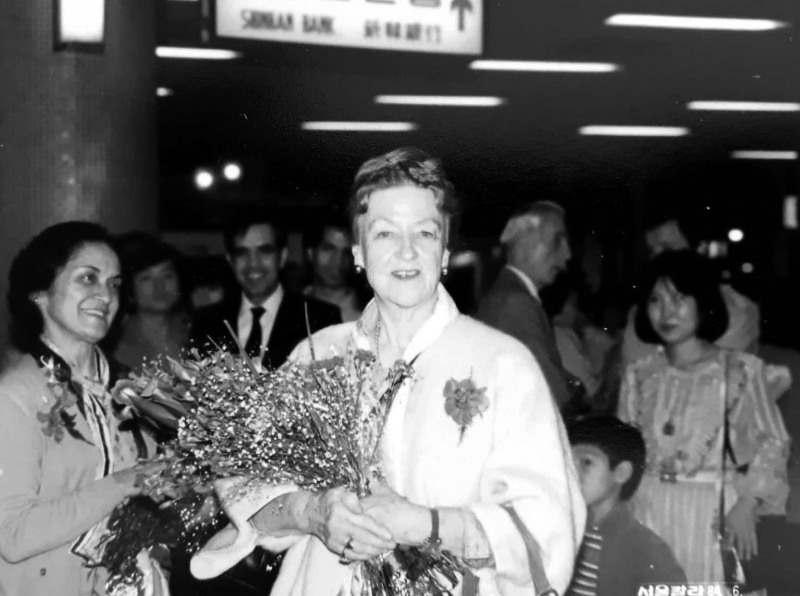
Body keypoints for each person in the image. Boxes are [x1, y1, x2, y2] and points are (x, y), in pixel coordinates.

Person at [191, 148, 586, 596]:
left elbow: (551, 527)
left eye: (424, 232)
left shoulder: (503, 365)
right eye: (384, 234)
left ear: (444, 250)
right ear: (358, 252)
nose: (406, 251)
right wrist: (312, 513)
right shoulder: (317, 355)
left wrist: (426, 523)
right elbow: (242, 481)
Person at [0, 222, 167, 596]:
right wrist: (127, 482)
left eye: (114, 284)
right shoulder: (14, 396)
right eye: (88, 278)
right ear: (40, 291)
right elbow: (10, 536)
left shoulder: (134, 391)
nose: (105, 295)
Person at [617, 250, 790, 583]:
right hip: (647, 512)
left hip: (712, 516)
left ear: (702, 302)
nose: (666, 311)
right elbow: (624, 446)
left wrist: (747, 502)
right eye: (655, 299)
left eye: (679, 298)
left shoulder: (740, 370)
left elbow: (773, 440)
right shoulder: (639, 374)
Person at [191, 213, 342, 368]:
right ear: (231, 261)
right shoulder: (206, 322)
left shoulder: (320, 318)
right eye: (242, 253)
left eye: (264, 251)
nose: (253, 263)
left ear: (282, 257)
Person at [621, 211, 761, 369]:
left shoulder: (735, 313)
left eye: (667, 249)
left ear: (699, 251)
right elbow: (631, 374)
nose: (656, 259)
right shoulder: (642, 312)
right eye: (651, 251)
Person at [566, 416, 685, 596]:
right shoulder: (562, 530)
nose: (572, 473)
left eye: (586, 462)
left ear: (621, 472)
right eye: (568, 462)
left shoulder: (645, 547)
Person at [477, 201, 573, 408]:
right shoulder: (514, 303)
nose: (567, 255)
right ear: (525, 241)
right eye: (557, 241)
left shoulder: (511, 297)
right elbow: (555, 392)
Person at [110, 233, 192, 372]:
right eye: (146, 278)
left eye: (167, 276)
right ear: (129, 289)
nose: (159, 286)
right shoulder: (114, 340)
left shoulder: (193, 331)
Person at [303, 214, 363, 323]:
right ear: (310, 253)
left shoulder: (368, 316)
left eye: (346, 253)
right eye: (328, 249)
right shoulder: (292, 309)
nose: (338, 261)